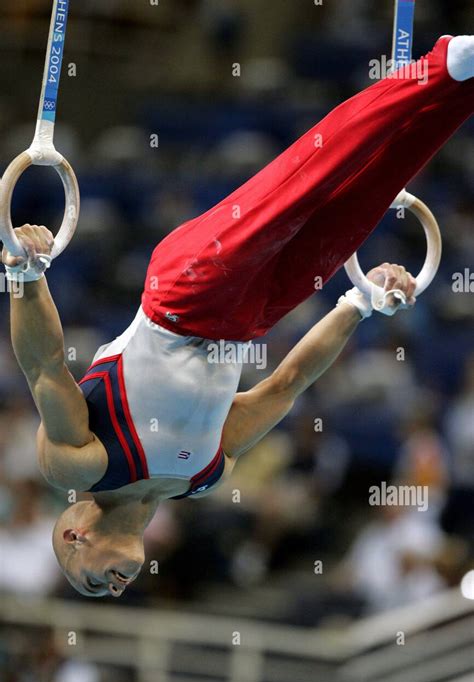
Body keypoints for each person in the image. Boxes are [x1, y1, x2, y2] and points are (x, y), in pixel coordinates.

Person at [3, 35, 473, 598]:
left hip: (185, 291)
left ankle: (446, 59)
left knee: (313, 175)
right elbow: (286, 386)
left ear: (74, 537)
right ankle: (462, 87)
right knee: (367, 194)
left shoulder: (78, 467)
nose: (117, 588)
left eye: (92, 585)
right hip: (254, 315)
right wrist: (359, 304)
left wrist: (26, 276)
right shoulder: (204, 478)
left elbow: (44, 367)